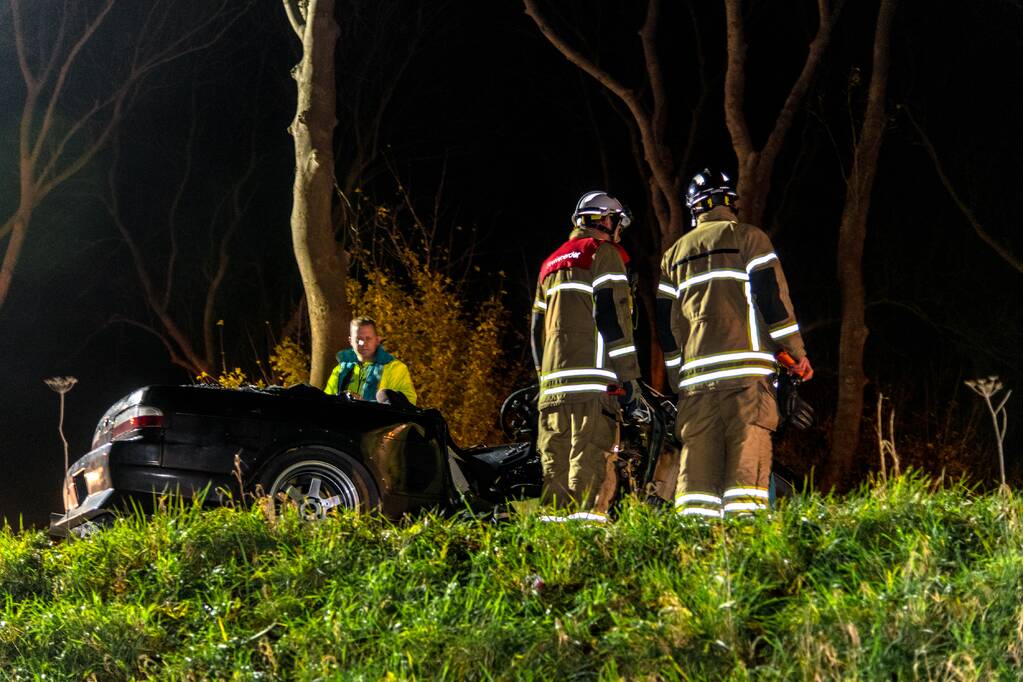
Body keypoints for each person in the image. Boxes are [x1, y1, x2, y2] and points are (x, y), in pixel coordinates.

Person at [656, 169, 813, 519]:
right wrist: (796, 355)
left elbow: (668, 330)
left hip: (695, 386)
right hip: (746, 381)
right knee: (745, 475)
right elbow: (773, 302)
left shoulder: (673, 257)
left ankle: (696, 553)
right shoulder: (750, 239)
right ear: (730, 202)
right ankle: (743, 554)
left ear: (694, 208)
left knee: (697, 480)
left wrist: (675, 378)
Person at [530, 191, 642, 521]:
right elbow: (613, 319)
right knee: (589, 474)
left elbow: (536, 329)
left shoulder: (549, 263)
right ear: (605, 220)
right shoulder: (604, 254)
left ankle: (553, 555)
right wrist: (630, 379)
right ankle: (585, 554)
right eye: (617, 222)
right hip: (593, 390)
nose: (619, 229)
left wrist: (543, 378)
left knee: (555, 480)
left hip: (551, 393)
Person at [324, 317, 417, 407]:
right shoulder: (340, 370)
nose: (363, 344)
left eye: (368, 338)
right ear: (350, 341)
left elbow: (409, 404)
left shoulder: (395, 368)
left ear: (377, 340)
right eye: (358, 340)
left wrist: (365, 404)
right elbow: (327, 402)